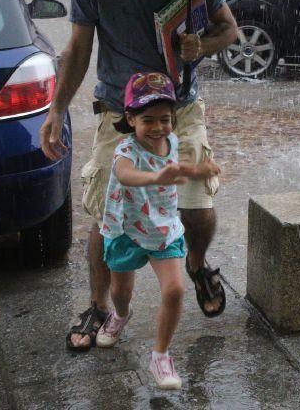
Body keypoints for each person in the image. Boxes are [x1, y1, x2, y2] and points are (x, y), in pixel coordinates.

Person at [40, 0, 238, 351]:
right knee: (105, 215)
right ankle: (99, 305)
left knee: (198, 207)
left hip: (179, 110)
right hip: (120, 111)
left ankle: (196, 265)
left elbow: (228, 28)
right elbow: (78, 49)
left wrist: (202, 46)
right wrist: (56, 109)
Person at [95, 72, 203, 389]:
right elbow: (126, 175)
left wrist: (199, 170)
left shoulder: (171, 142)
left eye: (165, 119)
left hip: (163, 229)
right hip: (125, 229)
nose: (158, 128)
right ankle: (121, 314)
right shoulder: (125, 151)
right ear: (130, 118)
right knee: (121, 292)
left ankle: (161, 355)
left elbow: (178, 168)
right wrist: (155, 178)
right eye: (148, 120)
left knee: (174, 290)